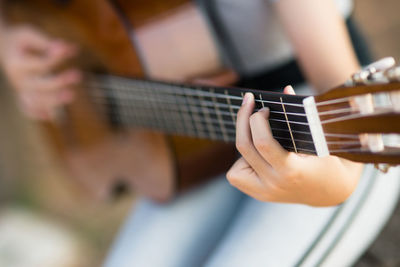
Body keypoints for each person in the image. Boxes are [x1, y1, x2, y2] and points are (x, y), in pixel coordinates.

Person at [0, 0, 399, 266]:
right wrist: (11, 39)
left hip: (318, 130)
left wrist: (321, 186)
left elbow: (344, 162)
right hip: (190, 143)